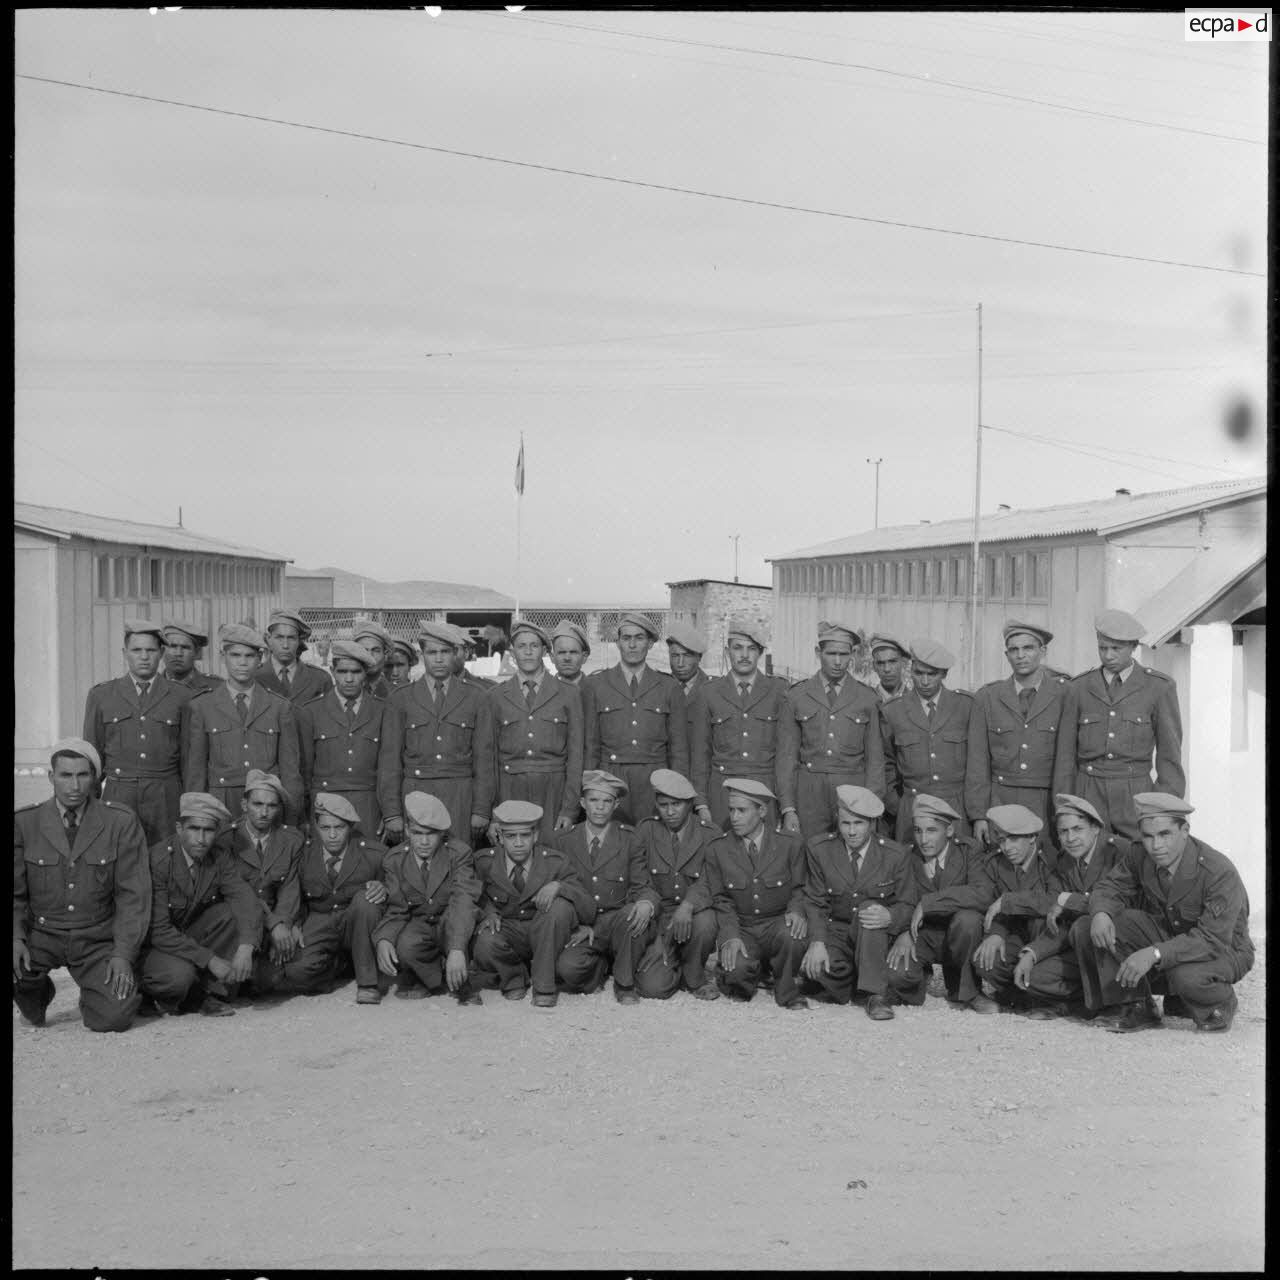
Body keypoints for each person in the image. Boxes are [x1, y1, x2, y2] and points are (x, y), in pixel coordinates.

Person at [13, 738, 150, 1032]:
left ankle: (93, 995)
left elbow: (133, 896)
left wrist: (123, 954)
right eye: (65, 775)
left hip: (95, 939)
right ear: (51, 777)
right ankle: (36, 996)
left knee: (115, 1017)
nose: (74, 786)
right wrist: (15, 938)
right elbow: (15, 894)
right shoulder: (25, 822)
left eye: (82, 775)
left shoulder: (119, 822)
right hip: (42, 934)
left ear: (96, 778)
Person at [1086, 794, 1252, 1034]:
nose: (1156, 846)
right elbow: (1110, 887)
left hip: (1224, 948)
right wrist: (1101, 912)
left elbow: (1212, 939)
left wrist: (1154, 953)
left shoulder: (1217, 871)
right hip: (1174, 935)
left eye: (1165, 834)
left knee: (1184, 975)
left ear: (1184, 830)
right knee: (1099, 924)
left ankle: (1219, 1002)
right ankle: (1137, 1005)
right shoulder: (1139, 854)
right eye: (1148, 836)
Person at [1053, 609, 1184, 844]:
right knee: (1090, 859)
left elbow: (1170, 756)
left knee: (1138, 860)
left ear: (1133, 647)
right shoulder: (1078, 688)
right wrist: (1065, 804)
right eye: (1103, 648)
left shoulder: (1158, 687)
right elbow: (1065, 756)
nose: (1109, 655)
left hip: (1135, 792)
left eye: (1116, 649)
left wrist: (1161, 807)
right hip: (1088, 791)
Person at [139, 792, 263, 1017]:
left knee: (230, 913)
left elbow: (244, 898)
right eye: (194, 829)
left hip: (185, 936)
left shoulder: (218, 857)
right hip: (155, 945)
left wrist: (247, 945)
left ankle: (205, 995)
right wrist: (210, 959)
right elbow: (158, 931)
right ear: (179, 828)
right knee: (179, 977)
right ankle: (149, 992)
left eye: (208, 831)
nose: (201, 839)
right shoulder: (158, 862)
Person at [799, 785, 915, 1020]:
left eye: (858, 824)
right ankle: (858, 978)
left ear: (872, 824)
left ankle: (874, 995)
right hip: (837, 933)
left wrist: (892, 917)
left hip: (876, 937)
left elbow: (909, 902)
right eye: (845, 823)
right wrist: (818, 942)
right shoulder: (820, 849)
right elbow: (815, 901)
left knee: (869, 910)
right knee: (816, 967)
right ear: (837, 822)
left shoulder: (895, 854)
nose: (851, 831)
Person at [1003, 794, 1123, 1020]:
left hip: (1119, 942)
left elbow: (1121, 905)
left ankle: (1123, 1004)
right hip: (1086, 945)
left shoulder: (1118, 853)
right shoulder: (1065, 861)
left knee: (1084, 925)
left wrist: (1068, 900)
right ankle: (1078, 1005)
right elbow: (1061, 921)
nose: (1070, 838)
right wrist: (1032, 953)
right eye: (1063, 832)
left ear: (1096, 828)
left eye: (1078, 829)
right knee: (1034, 976)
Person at [83, 617, 195, 846]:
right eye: (136, 650)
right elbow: (92, 760)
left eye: (150, 650)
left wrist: (190, 805)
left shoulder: (182, 696)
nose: (144, 657)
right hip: (119, 793)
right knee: (118, 856)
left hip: (166, 796)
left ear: (161, 652)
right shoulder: (101, 695)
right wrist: (89, 806)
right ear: (125, 653)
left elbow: (189, 760)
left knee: (167, 857)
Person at [269, 792, 389, 1004]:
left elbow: (397, 886)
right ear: (316, 827)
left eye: (339, 828)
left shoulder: (373, 854)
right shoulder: (304, 855)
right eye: (325, 828)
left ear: (350, 828)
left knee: (366, 902)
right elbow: (293, 893)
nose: (332, 835)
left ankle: (368, 983)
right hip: (320, 919)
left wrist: (384, 888)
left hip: (356, 923)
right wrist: (294, 923)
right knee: (297, 973)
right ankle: (338, 965)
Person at [472, 800, 590, 1007]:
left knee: (559, 908)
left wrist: (559, 886)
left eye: (525, 835)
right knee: (484, 941)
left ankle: (544, 985)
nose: (518, 843)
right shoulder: (485, 862)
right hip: (509, 932)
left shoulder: (555, 862)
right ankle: (515, 978)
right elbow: (476, 898)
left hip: (545, 932)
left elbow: (587, 907)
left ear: (535, 835)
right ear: (499, 836)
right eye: (510, 836)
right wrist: (488, 913)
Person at [474, 620, 585, 843]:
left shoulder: (568, 694)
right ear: (512, 652)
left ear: (545, 651)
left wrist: (569, 809)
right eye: (521, 646)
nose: (527, 652)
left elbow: (576, 757)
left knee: (553, 857)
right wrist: (492, 812)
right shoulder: (494, 697)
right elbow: (487, 760)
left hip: (554, 791)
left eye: (534, 646)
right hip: (509, 791)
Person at [380, 621, 488, 849]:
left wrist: (481, 809)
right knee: (418, 865)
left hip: (459, 795)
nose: (439, 659)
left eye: (445, 652)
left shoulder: (476, 697)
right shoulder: (401, 699)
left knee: (459, 859)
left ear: (455, 654)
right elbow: (390, 762)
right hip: (416, 792)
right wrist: (392, 814)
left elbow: (485, 760)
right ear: (422, 655)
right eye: (432, 652)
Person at [704, 778, 809, 1010]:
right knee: (737, 979)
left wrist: (796, 911)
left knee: (794, 935)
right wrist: (730, 935)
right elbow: (721, 899)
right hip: (743, 926)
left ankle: (787, 990)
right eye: (731, 810)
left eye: (742, 810)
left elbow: (800, 888)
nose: (734, 817)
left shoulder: (789, 844)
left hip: (776, 923)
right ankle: (754, 971)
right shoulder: (717, 849)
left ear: (762, 811)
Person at [886, 793, 996, 1013]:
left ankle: (968, 992)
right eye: (918, 831)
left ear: (949, 831)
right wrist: (903, 932)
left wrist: (930, 902)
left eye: (931, 831)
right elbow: (899, 899)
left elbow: (983, 894)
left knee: (968, 920)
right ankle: (919, 979)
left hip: (959, 933)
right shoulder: (906, 856)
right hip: (923, 934)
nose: (923, 840)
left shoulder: (969, 851)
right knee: (896, 975)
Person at [184, 623, 304, 826]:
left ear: (260, 660)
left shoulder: (279, 707)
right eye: (235, 655)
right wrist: (196, 816)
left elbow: (290, 771)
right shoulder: (202, 706)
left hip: (266, 804)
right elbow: (196, 771)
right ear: (223, 658)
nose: (242, 663)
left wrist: (291, 818)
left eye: (249, 656)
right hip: (221, 804)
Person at [778, 621, 885, 840]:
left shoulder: (867, 698)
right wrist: (788, 808)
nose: (838, 662)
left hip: (853, 794)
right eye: (831, 653)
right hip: (808, 796)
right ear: (818, 652)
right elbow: (786, 758)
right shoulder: (797, 696)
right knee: (807, 855)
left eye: (844, 654)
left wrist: (871, 806)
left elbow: (875, 761)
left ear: (853, 654)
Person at [372, 792, 483, 1005]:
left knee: (462, 922)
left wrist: (458, 948)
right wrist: (384, 938)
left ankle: (462, 983)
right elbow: (397, 910)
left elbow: (463, 901)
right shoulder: (395, 859)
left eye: (431, 834)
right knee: (405, 944)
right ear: (406, 830)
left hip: (453, 922)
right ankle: (436, 978)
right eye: (416, 833)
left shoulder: (459, 854)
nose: (423, 841)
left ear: (442, 833)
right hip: (421, 926)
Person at [553, 771, 653, 1005]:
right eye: (593, 800)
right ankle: (602, 965)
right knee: (568, 970)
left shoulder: (630, 838)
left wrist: (646, 902)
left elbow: (642, 884)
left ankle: (624, 983)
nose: (599, 808)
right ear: (582, 803)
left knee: (633, 913)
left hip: (618, 923)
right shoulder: (564, 841)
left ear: (616, 804)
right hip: (582, 925)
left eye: (607, 801)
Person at [582, 612, 690, 827]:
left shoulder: (669, 687)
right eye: (626, 638)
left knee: (652, 842)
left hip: (654, 781)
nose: (632, 645)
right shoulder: (596, 685)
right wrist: (590, 789)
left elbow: (678, 749)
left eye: (639, 638)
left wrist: (676, 792)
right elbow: (590, 746)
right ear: (617, 643)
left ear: (650, 644)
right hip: (610, 779)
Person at [966, 621, 1070, 840]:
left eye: (1028, 648)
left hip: (1046, 803)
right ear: (1006, 655)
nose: (1020, 655)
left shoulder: (1065, 695)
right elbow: (977, 762)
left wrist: (1065, 811)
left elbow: (1067, 762)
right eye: (1014, 650)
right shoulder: (987, 697)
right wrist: (979, 816)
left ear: (1043, 651)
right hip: (1001, 801)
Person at [689, 620, 788, 832]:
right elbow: (700, 755)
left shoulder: (779, 691)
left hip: (763, 792)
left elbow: (784, 756)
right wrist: (701, 803)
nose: (744, 655)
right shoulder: (709, 693)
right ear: (727, 651)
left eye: (752, 649)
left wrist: (784, 805)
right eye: (737, 648)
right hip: (722, 792)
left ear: (761, 652)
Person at [633, 768, 721, 1001]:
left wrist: (689, 905)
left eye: (677, 804)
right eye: (663, 805)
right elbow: (639, 881)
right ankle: (674, 964)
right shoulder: (645, 830)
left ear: (690, 804)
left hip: (693, 914)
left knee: (707, 921)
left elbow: (711, 880)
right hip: (658, 918)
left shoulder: (709, 834)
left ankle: (695, 976)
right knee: (653, 988)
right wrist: (661, 937)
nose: (670, 812)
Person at [970, 804, 1063, 1014]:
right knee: (986, 960)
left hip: (1046, 940)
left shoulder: (1051, 860)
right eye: (1002, 840)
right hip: (1014, 934)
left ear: (1032, 837)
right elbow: (989, 905)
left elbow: (1055, 900)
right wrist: (995, 934)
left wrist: (1008, 901)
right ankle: (1022, 995)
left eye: (1014, 838)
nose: (1007, 847)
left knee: (1041, 920)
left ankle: (1047, 998)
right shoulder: (995, 863)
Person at [296, 638, 394, 839]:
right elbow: (304, 770)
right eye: (342, 672)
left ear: (365, 673)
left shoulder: (383, 710)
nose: (349, 679)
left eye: (356, 672)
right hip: (324, 805)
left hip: (368, 806)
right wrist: (303, 815)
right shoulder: (312, 711)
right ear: (333, 672)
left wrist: (390, 813)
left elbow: (389, 767)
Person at [880, 638, 974, 843]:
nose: (924, 681)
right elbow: (886, 762)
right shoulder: (893, 710)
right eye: (918, 673)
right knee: (912, 868)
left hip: (955, 807)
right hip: (912, 807)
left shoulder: (965, 707)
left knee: (956, 866)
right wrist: (898, 805)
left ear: (944, 674)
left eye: (932, 674)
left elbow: (978, 762)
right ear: (911, 670)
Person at [220, 769, 304, 988]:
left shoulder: (291, 840)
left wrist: (283, 925)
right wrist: (274, 924)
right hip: (238, 921)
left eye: (272, 806)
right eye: (257, 804)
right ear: (244, 805)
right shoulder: (226, 840)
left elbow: (289, 890)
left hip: (274, 919)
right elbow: (236, 894)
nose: (264, 812)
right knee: (231, 983)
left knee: (273, 979)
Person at [255, 609, 332, 705]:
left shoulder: (320, 679)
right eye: (279, 637)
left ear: (299, 641)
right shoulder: (254, 677)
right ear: (268, 639)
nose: (285, 645)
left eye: (291, 638)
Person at [161, 619, 223, 692]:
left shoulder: (217, 687)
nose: (178, 653)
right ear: (162, 650)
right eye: (172, 646)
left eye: (185, 647)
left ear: (197, 653)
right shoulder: (149, 687)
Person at [665, 623, 712, 707]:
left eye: (687, 656)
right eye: (675, 656)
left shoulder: (714, 689)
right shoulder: (658, 688)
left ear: (699, 657)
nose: (680, 663)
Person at [352, 620, 396, 700]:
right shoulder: (344, 691)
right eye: (364, 650)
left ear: (385, 655)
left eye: (376, 651)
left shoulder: (396, 694)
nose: (369, 656)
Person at [863, 634, 912, 703]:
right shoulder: (865, 702)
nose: (887, 669)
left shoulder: (917, 703)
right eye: (880, 663)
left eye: (892, 661)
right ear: (874, 666)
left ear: (903, 663)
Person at [550, 619, 592, 691]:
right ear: (552, 657)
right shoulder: (542, 690)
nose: (567, 658)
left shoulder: (598, 690)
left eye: (573, 652)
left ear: (584, 657)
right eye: (562, 652)